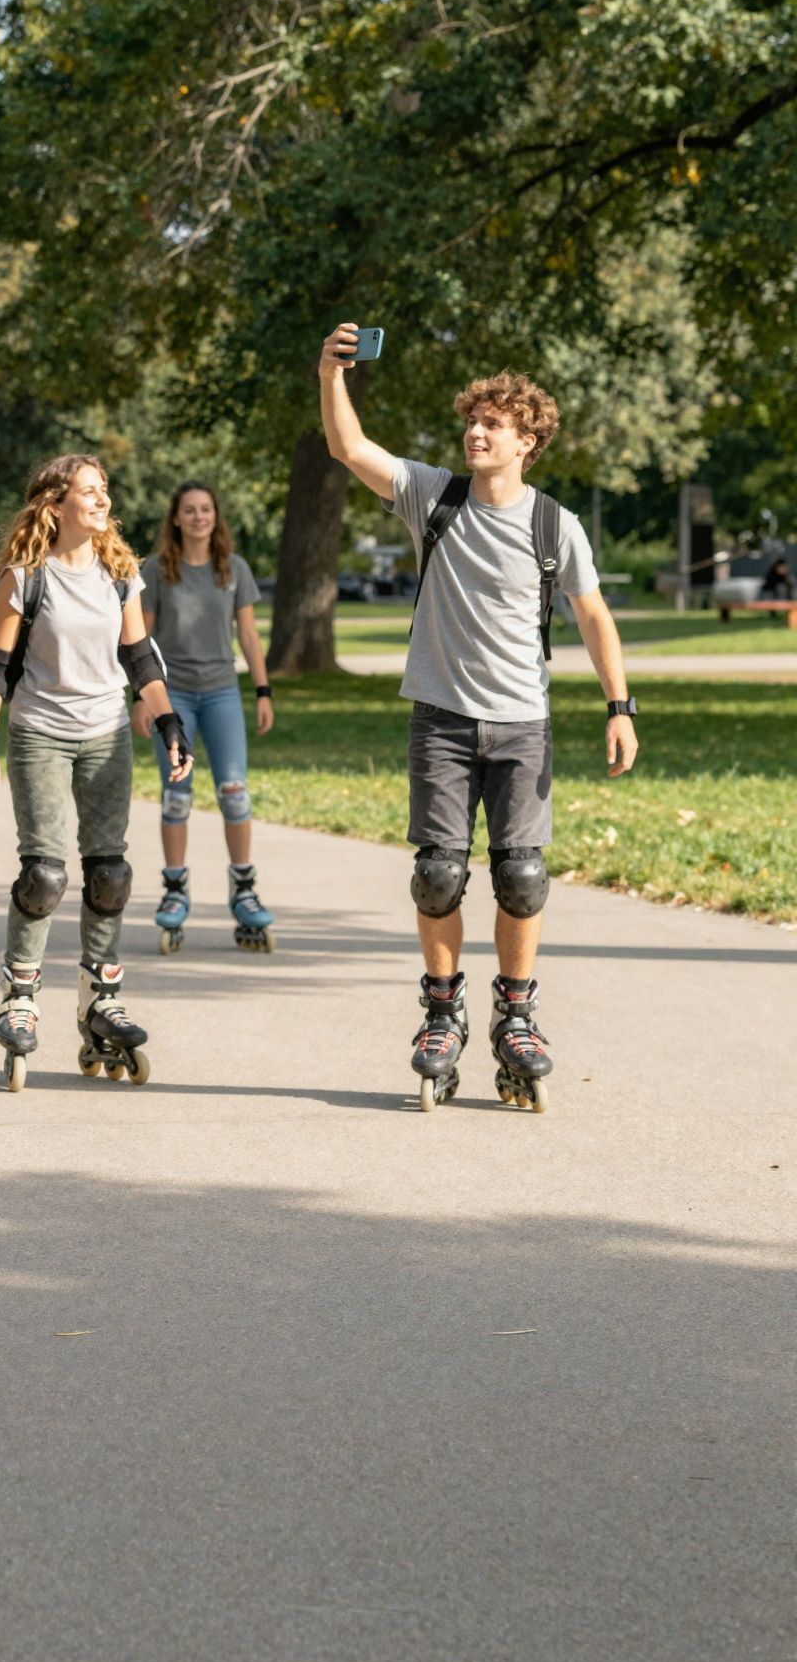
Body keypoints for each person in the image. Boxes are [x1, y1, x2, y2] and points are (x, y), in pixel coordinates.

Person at [319, 324, 637, 1112]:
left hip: (523, 723)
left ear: (527, 440)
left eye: (493, 423)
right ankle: (441, 1009)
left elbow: (593, 615)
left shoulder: (553, 525)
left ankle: (517, 1014)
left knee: (521, 879)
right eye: (472, 420)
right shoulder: (435, 496)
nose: (475, 431)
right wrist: (331, 372)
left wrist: (619, 705)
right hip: (443, 720)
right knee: (437, 875)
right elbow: (349, 448)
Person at [0, 453, 192, 1090]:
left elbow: (140, 656)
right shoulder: (23, 576)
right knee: (44, 874)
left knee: (109, 872)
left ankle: (100, 995)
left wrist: (169, 722)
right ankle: (19, 995)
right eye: (88, 492)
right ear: (55, 504)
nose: (101, 501)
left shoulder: (120, 572)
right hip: (40, 731)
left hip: (107, 732)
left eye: (103, 492)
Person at [134, 479, 276, 954]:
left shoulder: (232, 568)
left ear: (216, 517)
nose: (199, 517)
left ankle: (244, 889)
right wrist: (141, 698)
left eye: (206, 510)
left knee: (234, 792)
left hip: (220, 693)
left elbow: (251, 637)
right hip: (172, 697)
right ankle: (175, 890)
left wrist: (262, 690)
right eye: (190, 510)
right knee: (177, 796)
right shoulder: (156, 570)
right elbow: (142, 641)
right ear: (175, 518)